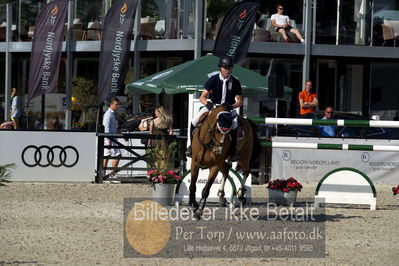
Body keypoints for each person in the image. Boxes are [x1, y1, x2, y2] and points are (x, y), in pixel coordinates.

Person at [186, 55, 243, 161]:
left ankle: (233, 151)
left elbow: (240, 101)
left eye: (229, 68)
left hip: (227, 109)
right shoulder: (213, 79)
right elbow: (202, 97)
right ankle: (191, 146)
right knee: (194, 121)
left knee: (234, 125)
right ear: (220, 68)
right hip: (214, 106)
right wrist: (208, 104)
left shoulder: (235, 81)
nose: (227, 70)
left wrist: (232, 105)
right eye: (225, 68)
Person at [103, 97, 121, 183]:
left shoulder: (112, 113)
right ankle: (111, 175)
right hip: (110, 138)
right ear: (111, 104)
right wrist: (109, 140)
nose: (118, 106)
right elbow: (106, 128)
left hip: (112, 137)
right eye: (116, 105)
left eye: (118, 105)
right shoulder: (109, 114)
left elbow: (113, 127)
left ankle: (105, 175)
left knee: (108, 156)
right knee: (116, 155)